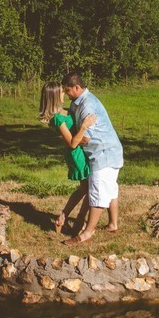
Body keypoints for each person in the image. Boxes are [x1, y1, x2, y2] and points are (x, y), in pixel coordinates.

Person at [62, 72, 123, 244]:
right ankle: (112, 225)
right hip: (110, 150)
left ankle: (87, 233)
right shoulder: (78, 102)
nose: (66, 94)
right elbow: (70, 114)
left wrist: (70, 140)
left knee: (97, 191)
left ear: (77, 88)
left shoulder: (87, 105)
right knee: (110, 188)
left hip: (103, 153)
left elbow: (86, 137)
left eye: (67, 91)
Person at [39, 82, 97, 234]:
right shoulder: (57, 118)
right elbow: (71, 143)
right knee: (87, 188)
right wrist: (85, 126)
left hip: (80, 150)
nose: (64, 93)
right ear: (54, 96)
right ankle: (74, 220)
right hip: (75, 153)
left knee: (86, 188)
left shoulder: (65, 111)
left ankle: (66, 218)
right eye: (61, 92)